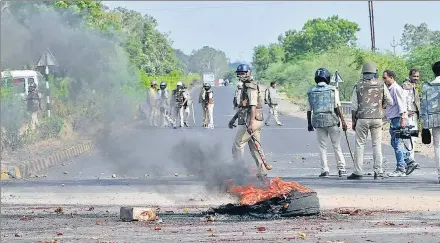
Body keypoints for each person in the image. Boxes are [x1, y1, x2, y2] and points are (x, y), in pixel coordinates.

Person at [347, 62, 394, 180]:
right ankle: (378, 171)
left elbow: (354, 106)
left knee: (360, 145)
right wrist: (381, 107)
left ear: (363, 72)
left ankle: (358, 172)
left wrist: (353, 121)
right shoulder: (381, 84)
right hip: (377, 119)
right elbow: (390, 101)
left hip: (362, 119)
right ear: (375, 73)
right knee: (376, 145)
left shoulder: (358, 85)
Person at [228, 64, 269, 181]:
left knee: (237, 145)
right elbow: (243, 107)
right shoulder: (244, 87)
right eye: (240, 74)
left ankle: (240, 171)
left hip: (251, 121)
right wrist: (233, 119)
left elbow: (253, 106)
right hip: (250, 119)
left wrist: (251, 123)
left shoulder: (250, 87)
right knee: (255, 148)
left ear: (249, 73)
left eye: (243, 73)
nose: (241, 75)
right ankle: (262, 174)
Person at [307, 68, 347, 177]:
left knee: (322, 147)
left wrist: (309, 124)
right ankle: (341, 168)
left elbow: (309, 109)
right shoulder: (333, 90)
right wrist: (343, 121)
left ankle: (324, 170)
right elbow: (338, 107)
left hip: (318, 121)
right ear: (327, 78)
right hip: (332, 120)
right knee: (336, 145)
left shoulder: (311, 91)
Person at [383, 69, 412, 177]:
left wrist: (403, 119)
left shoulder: (395, 89)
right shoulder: (390, 89)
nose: (384, 80)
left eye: (385, 77)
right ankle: (409, 161)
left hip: (398, 119)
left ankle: (401, 168)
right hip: (394, 119)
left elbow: (402, 104)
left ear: (391, 77)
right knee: (395, 143)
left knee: (397, 143)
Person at [420, 61, 440, 184]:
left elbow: (423, 106)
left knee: (438, 146)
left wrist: (424, 125)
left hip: (434, 119)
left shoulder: (427, 86)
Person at [402, 69, 421, 173]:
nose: (416, 78)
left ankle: (411, 161)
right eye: (414, 76)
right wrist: (405, 111)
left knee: (413, 139)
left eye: (417, 76)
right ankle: (407, 162)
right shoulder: (406, 86)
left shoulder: (413, 86)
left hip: (414, 116)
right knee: (407, 139)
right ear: (410, 76)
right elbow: (403, 99)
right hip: (408, 116)